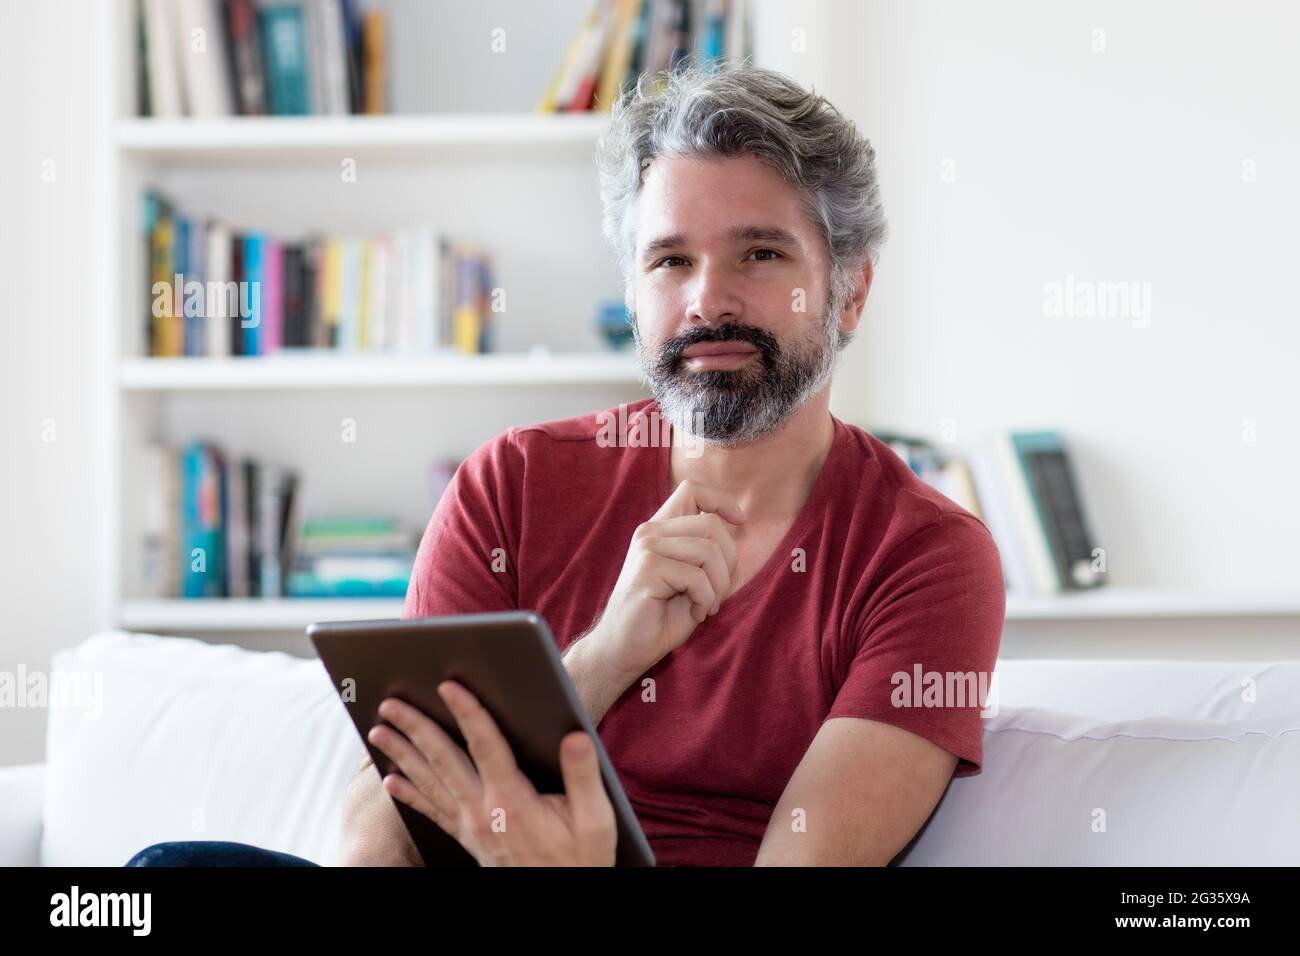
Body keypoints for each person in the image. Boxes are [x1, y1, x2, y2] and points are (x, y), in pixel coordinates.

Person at [130, 59, 1004, 869]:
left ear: (849, 288)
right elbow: (370, 841)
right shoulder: (511, 483)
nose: (707, 299)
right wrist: (603, 659)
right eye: (671, 260)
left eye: (760, 254)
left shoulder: (928, 560)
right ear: (634, 292)